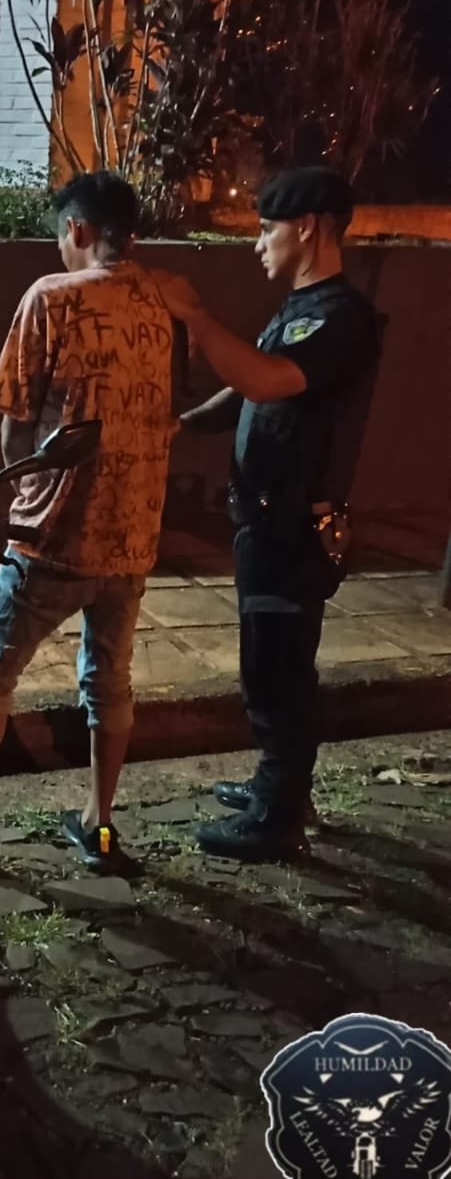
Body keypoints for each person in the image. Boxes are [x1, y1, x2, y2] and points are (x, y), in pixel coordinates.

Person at [0, 170, 183, 873]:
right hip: (134, 535)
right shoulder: (160, 301)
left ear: (77, 229)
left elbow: (15, 424)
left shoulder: (51, 297)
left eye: (60, 237)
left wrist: (21, 491)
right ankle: (100, 823)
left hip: (54, 534)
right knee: (109, 680)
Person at [157, 166, 383, 862]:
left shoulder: (342, 318)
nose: (258, 244)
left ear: (306, 227)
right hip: (265, 519)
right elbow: (248, 389)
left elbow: (264, 378)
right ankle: (278, 785)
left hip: (293, 527)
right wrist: (182, 424)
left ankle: (276, 819)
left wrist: (196, 317)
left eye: (265, 229)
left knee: (277, 670)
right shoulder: (300, 308)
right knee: (269, 660)